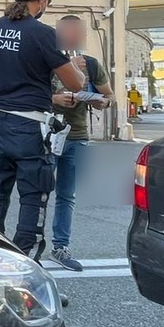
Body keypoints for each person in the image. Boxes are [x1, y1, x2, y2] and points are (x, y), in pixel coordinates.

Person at [0, 0, 84, 258]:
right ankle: (24, 261)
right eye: (48, 1)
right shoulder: (43, 34)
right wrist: (71, 62)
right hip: (30, 128)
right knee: (33, 198)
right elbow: (76, 84)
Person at [49, 15, 114, 272]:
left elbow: (109, 96)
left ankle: (61, 247)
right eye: (71, 33)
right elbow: (30, 94)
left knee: (67, 195)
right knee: (37, 192)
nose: (77, 38)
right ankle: (30, 246)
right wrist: (55, 98)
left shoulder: (91, 64)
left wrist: (100, 101)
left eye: (81, 33)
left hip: (77, 136)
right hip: (48, 135)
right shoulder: (47, 60)